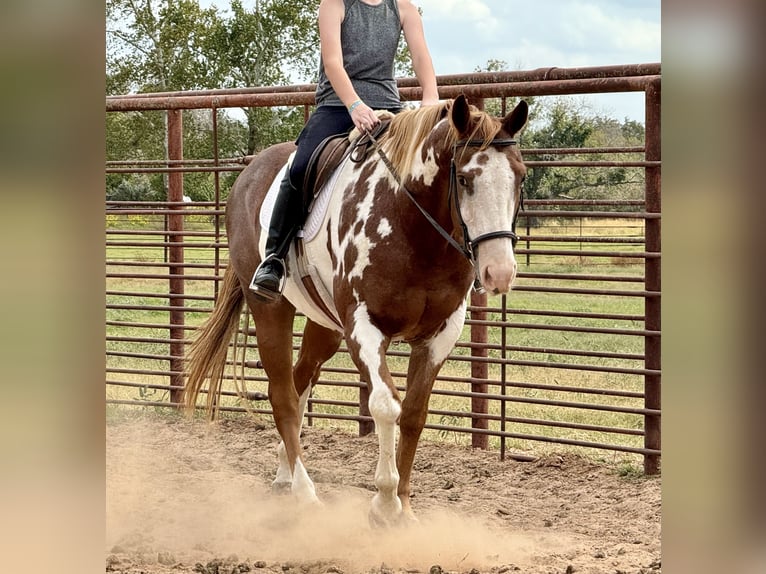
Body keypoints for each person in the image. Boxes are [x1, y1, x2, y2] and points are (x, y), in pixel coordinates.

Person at [249, 0, 439, 301]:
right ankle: (274, 258)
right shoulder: (334, 3)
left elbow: (420, 55)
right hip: (338, 105)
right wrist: (354, 104)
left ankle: (457, 253)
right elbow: (333, 62)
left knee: (430, 166)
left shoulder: (403, 7)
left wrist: (430, 97)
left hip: (388, 107)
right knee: (300, 167)